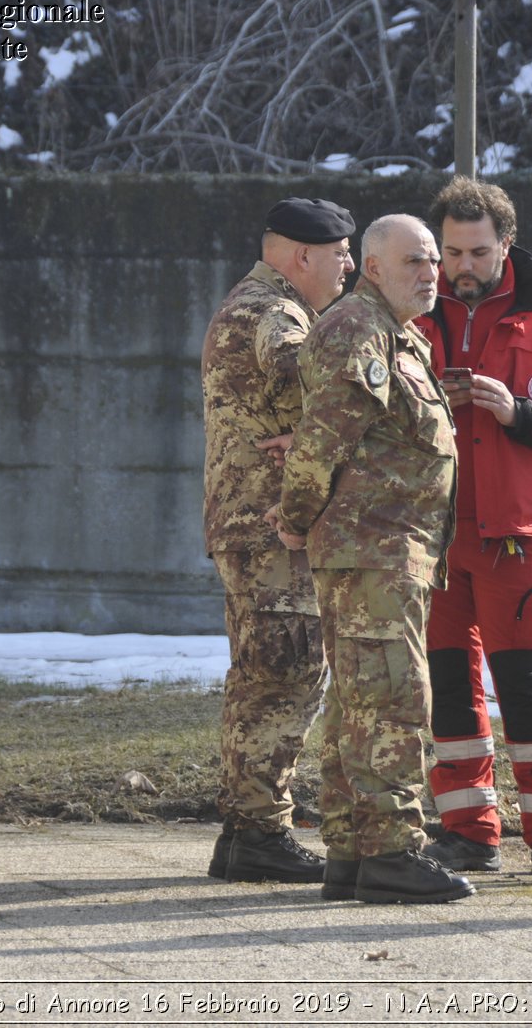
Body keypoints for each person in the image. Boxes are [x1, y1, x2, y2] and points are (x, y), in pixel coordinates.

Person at [267, 213, 474, 905]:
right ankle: (393, 850)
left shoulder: (397, 334)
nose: (431, 273)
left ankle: (354, 852)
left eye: (435, 262)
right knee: (392, 698)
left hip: (390, 549)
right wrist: (296, 519)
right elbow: (323, 440)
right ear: (375, 267)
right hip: (373, 549)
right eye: (415, 260)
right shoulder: (358, 327)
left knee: (362, 701)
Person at [413, 177, 532, 876]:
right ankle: (468, 831)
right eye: (450, 250)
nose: (461, 265)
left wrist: (517, 411)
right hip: (431, 532)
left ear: (506, 243)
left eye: (477, 250)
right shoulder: (410, 312)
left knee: (522, 680)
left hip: (515, 533)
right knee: (449, 684)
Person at [200, 197, 356, 884]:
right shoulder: (276, 312)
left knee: (263, 677)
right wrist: (342, 428)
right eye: (341, 254)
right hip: (274, 532)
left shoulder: (256, 301)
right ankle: (261, 830)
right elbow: (309, 372)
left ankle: (247, 831)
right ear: (302, 257)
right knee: (284, 678)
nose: (350, 265)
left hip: (253, 529)